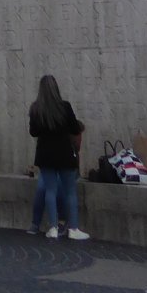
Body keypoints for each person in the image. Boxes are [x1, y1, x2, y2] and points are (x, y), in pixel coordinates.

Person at [28, 75, 88, 240]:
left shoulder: (36, 109)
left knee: (50, 190)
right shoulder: (65, 107)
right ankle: (73, 228)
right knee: (70, 192)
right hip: (64, 154)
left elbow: (33, 132)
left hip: (45, 155)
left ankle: (53, 227)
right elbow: (75, 128)